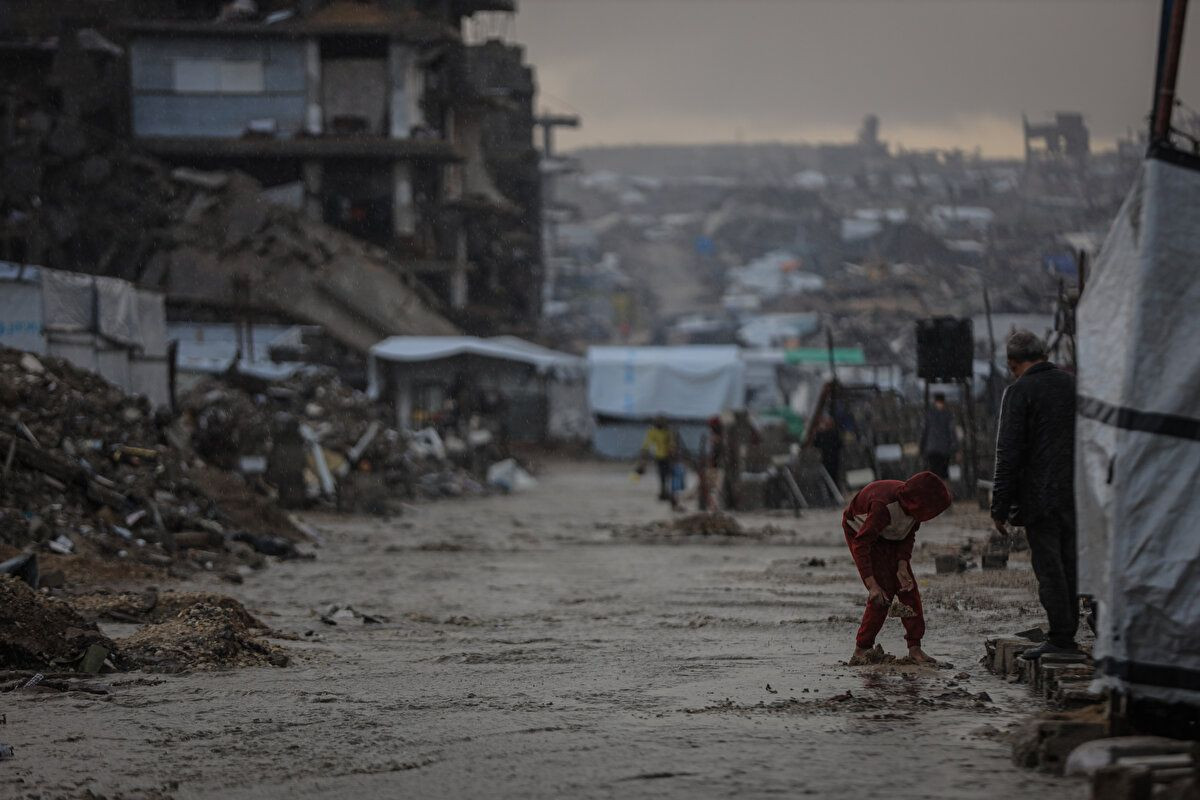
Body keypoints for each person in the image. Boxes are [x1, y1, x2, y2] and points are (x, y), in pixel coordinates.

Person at [991, 330, 1080, 660]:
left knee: (1049, 567)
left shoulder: (1019, 392)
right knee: (1072, 564)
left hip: (1039, 496)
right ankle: (1070, 633)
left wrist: (999, 507)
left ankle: (1061, 639)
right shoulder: (1074, 386)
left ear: (1013, 363)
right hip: (1076, 493)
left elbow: (1008, 452)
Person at [842, 471, 952, 665]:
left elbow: (907, 535)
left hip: (889, 533)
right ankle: (862, 648)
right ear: (921, 503)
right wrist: (872, 585)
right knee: (882, 592)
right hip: (860, 532)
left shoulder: (915, 508)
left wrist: (902, 565)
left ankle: (915, 647)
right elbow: (861, 545)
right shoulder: (883, 507)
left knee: (907, 588)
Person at [919, 392, 958, 480]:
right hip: (941, 449)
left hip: (934, 448)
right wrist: (955, 447)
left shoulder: (930, 415)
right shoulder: (947, 415)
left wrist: (922, 446)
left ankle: (936, 487)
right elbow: (952, 432)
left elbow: (924, 431)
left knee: (936, 473)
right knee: (942, 474)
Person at [639, 416, 675, 501]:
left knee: (666, 474)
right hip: (660, 456)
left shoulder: (667, 432)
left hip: (666, 456)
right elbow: (647, 444)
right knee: (663, 474)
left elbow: (672, 443)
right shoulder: (655, 432)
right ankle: (664, 491)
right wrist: (644, 454)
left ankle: (665, 491)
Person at [812, 414, 843, 490]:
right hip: (831, 459)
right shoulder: (833, 433)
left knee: (830, 479)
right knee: (832, 479)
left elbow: (815, 443)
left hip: (829, 459)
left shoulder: (824, 434)